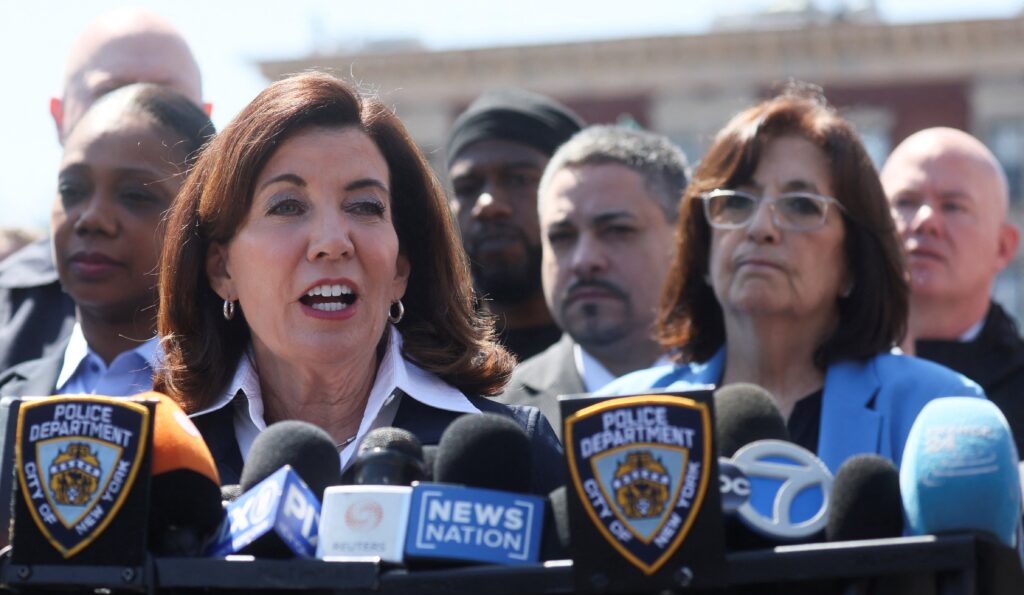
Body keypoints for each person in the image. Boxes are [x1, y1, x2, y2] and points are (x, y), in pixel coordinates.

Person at [603, 90, 981, 595]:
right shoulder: (622, 415)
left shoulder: (939, 414)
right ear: (703, 250)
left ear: (855, 261)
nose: (761, 228)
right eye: (735, 202)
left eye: (801, 205)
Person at [155, 73, 564, 494]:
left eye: (365, 206)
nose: (332, 242)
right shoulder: (152, 460)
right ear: (222, 270)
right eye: (288, 206)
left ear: (400, 269)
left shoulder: (514, 454)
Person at [0, 9, 208, 374]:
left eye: (165, 100)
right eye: (110, 93)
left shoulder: (255, 328)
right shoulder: (9, 310)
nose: (132, 114)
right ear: (60, 117)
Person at [500, 125, 688, 437]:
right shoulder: (500, 417)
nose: (584, 260)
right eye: (561, 236)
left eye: (616, 230)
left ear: (684, 240)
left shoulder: (750, 394)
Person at [880, 127, 1024, 459]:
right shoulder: (821, 375)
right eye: (905, 202)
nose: (925, 221)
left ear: (1003, 247)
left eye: (953, 206)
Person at [446, 89, 583, 361]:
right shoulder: (420, 365)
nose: (488, 205)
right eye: (467, 188)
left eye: (519, 180)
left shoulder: (625, 353)